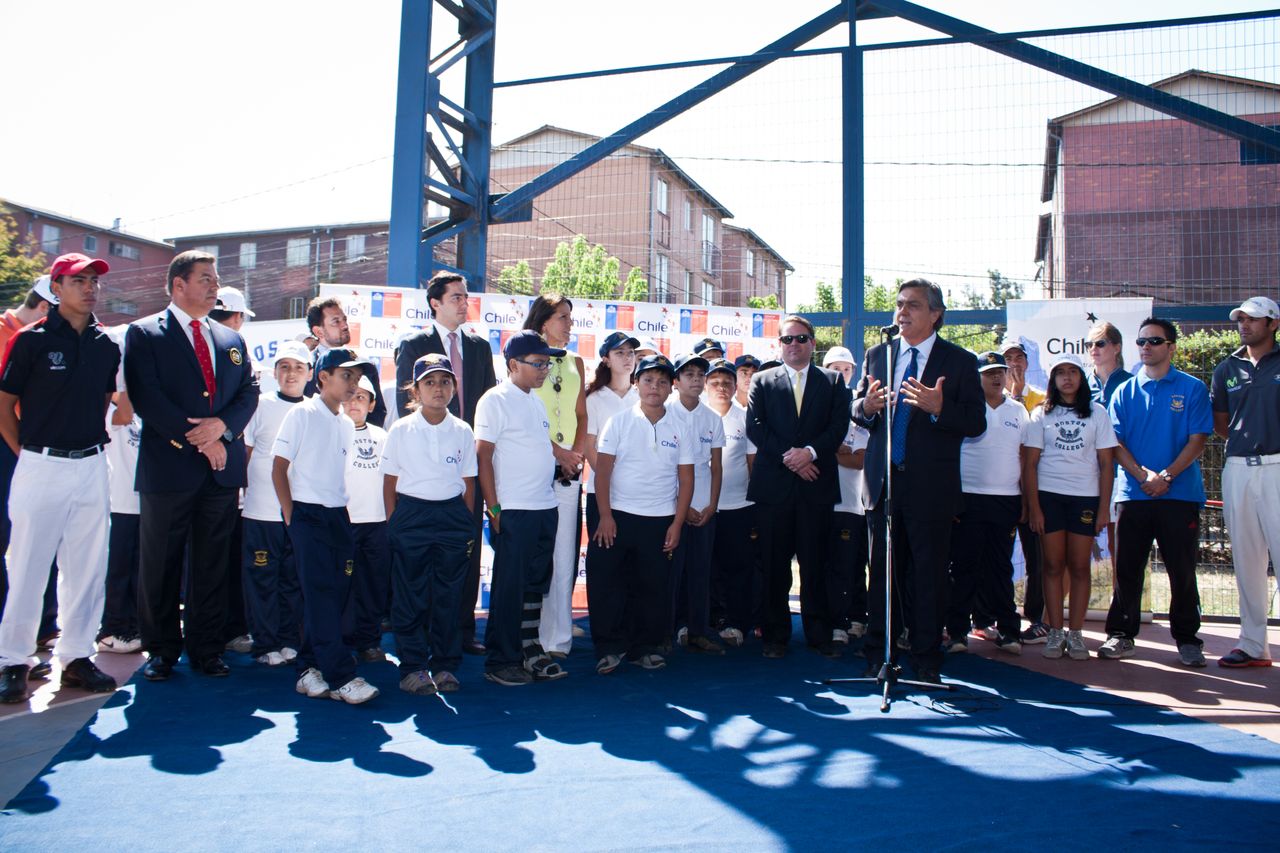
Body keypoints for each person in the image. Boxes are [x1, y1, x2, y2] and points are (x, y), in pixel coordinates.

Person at [125, 250, 259, 681]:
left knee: (211, 563)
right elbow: (147, 397)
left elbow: (248, 392)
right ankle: (161, 651)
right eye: (205, 278)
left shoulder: (230, 339)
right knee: (160, 562)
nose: (214, 286)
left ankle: (206, 647)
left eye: (215, 278)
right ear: (178, 285)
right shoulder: (145, 333)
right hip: (170, 469)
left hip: (219, 474)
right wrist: (202, 441)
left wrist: (222, 429)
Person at [0, 252, 120, 703]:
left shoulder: (107, 344)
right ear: (57, 287)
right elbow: (4, 404)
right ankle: (13, 659)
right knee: (28, 564)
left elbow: (113, 401)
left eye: (94, 281)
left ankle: (75, 657)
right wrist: (27, 453)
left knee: (87, 569)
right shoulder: (30, 341)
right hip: (40, 464)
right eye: (78, 280)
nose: (89, 288)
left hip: (91, 464)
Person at [852, 280, 985, 682]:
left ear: (935, 314)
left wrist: (940, 407)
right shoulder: (878, 354)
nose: (902, 312)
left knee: (928, 575)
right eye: (898, 305)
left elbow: (975, 422)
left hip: (931, 488)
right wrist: (867, 407)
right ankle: (880, 651)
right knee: (883, 575)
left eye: (912, 305)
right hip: (883, 484)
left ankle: (926, 658)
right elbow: (858, 408)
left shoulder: (959, 361)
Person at [394, 272, 496, 656]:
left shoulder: (480, 346)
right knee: (420, 558)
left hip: (467, 460)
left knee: (465, 549)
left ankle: (462, 630)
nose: (463, 302)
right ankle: (419, 635)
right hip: (423, 465)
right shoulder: (414, 343)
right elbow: (408, 400)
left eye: (465, 296)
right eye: (455, 297)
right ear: (435, 302)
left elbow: (486, 405)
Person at [272, 348, 379, 704]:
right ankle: (341, 675)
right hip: (307, 515)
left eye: (356, 377)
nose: (353, 384)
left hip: (338, 516)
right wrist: (292, 516)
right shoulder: (301, 413)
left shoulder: (347, 423)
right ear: (323, 378)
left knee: (333, 595)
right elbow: (278, 468)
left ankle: (307, 667)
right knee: (320, 595)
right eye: (346, 376)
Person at [1102, 318, 1211, 666]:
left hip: (1180, 496)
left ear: (1172, 347)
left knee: (1182, 571)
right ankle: (1121, 635)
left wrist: (1165, 476)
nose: (1146, 347)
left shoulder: (1193, 388)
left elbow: (1198, 441)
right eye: (1141, 341)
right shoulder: (1124, 392)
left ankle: (1188, 640)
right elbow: (1115, 443)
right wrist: (1142, 475)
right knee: (1127, 570)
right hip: (1133, 496)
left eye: (1154, 341)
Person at [747, 315, 851, 659]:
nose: (795, 345)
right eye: (788, 339)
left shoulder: (834, 382)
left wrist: (809, 453)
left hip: (816, 486)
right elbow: (756, 428)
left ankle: (818, 634)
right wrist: (791, 458)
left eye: (802, 339)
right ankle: (775, 636)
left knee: (816, 564)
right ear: (779, 345)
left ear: (813, 343)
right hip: (773, 489)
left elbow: (837, 427)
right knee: (774, 566)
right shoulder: (761, 381)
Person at [588, 354, 694, 674]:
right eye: (648, 380)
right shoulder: (618, 421)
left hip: (660, 520)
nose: (655, 387)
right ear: (636, 383)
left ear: (671, 387)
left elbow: (686, 479)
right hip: (617, 517)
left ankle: (644, 647)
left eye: (662, 381)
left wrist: (677, 523)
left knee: (652, 588)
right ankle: (608, 648)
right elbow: (602, 473)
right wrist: (605, 516)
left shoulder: (680, 426)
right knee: (607, 586)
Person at [474, 330, 566, 686]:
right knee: (509, 587)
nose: (545, 370)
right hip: (513, 509)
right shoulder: (494, 400)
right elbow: (483, 456)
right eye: (538, 363)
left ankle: (529, 649)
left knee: (533, 585)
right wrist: (494, 509)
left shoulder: (536, 401)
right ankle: (500, 660)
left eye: (547, 363)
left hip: (545, 505)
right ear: (513, 364)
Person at [382, 354, 477, 694]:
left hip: (452, 518)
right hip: (411, 516)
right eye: (430, 382)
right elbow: (389, 483)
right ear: (416, 389)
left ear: (454, 387)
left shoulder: (463, 430)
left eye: (445, 381)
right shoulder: (401, 429)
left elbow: (469, 483)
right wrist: (396, 523)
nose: (438, 389)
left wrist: (465, 522)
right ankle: (413, 668)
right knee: (410, 596)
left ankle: (445, 666)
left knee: (449, 596)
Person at [1023, 353, 1117, 661]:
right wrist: (1034, 508)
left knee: (1079, 566)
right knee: (1052, 566)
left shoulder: (1097, 413)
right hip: (1049, 498)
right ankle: (1055, 632)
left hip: (1085, 499)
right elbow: (1030, 463)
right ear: (1052, 380)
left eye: (1072, 372)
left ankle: (1076, 634)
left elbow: (1106, 463)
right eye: (1060, 372)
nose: (1067, 378)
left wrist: (1104, 509)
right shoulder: (1040, 414)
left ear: (1081, 376)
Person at [1210, 296, 1280, 668]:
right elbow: (1221, 423)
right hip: (1238, 467)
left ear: (1273, 324)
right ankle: (1253, 645)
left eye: (1253, 319)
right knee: (1247, 560)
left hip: (1278, 467)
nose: (1244, 325)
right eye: (1241, 319)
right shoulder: (1226, 368)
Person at [944, 351, 1026, 656]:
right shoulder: (965, 411)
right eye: (989, 372)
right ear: (975, 377)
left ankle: (1008, 630)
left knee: (1000, 568)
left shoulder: (1018, 411)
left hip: (1006, 500)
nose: (996, 377)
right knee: (963, 567)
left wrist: (1027, 501)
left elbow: (1025, 458)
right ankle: (956, 633)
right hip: (968, 500)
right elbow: (949, 458)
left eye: (1000, 372)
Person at [524, 295, 587, 658]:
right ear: (544, 321)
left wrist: (574, 456)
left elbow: (582, 414)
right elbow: (525, 415)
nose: (569, 323)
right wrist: (557, 453)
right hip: (534, 466)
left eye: (570, 317)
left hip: (569, 470)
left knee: (564, 555)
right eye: (562, 317)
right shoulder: (526, 360)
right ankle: (526, 636)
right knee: (534, 556)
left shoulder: (577, 361)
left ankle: (558, 639)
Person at [0, 275, 61, 647]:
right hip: (12, 449)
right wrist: (21, 451)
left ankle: (43, 627)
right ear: (44, 307)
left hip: (41, 449)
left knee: (44, 538)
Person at [241, 341, 310, 667]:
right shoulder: (259, 405)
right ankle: (264, 643)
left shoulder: (315, 410)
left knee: (293, 579)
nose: (291, 373)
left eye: (298, 367)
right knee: (261, 579)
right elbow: (247, 453)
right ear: (274, 372)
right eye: (285, 366)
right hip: (260, 511)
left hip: (299, 514)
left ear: (310, 374)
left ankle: (288, 640)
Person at [668, 353, 725, 654]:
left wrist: (712, 505)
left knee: (700, 572)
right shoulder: (663, 412)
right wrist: (680, 507)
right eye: (687, 374)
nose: (695, 379)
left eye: (699, 374)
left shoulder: (712, 418)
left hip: (704, 509)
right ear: (675, 381)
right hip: (671, 509)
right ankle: (668, 631)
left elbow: (716, 467)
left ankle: (698, 631)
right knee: (671, 574)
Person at [210, 292, 254, 655]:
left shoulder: (236, 350)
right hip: (189, 468)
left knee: (218, 556)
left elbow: (247, 397)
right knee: (207, 558)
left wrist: (222, 432)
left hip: (227, 475)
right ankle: (212, 633)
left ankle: (222, 630)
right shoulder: (226, 349)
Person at [704, 358, 756, 647]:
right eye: (715, 382)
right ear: (706, 386)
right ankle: (708, 620)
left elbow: (752, 464)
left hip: (739, 507)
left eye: (727, 382)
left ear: (736, 386)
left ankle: (736, 622)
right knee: (706, 568)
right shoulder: (696, 416)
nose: (721, 387)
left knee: (737, 568)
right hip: (701, 508)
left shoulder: (746, 417)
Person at [1001, 336, 1049, 646]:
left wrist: (1018, 396)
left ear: (1028, 364)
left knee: (1038, 559)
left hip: (1034, 492)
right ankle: (999, 617)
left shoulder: (1044, 399)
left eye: (1019, 358)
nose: (1014, 364)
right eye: (1009, 359)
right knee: (999, 558)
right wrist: (1013, 395)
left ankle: (1036, 619)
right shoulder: (988, 399)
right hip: (1003, 492)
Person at [98, 332, 143, 655]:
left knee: (137, 571)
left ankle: (132, 626)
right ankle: (111, 628)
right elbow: (124, 410)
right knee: (119, 570)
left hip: (143, 503)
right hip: (120, 503)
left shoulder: (139, 412)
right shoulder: (110, 414)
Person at [341, 375, 391, 664]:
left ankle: (369, 642)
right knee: (341, 587)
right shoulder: (330, 431)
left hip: (377, 523)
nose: (354, 402)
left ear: (371, 404)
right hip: (342, 522)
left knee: (373, 585)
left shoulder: (383, 437)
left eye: (362, 397)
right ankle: (340, 639)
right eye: (350, 396)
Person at [822, 346, 870, 645]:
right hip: (823, 502)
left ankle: (854, 618)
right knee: (828, 565)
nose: (840, 374)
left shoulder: (860, 411)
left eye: (846, 369)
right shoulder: (817, 409)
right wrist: (834, 451)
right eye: (834, 369)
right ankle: (834, 620)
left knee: (852, 566)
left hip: (854, 504)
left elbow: (862, 459)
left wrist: (834, 452)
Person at [584, 333, 640, 536]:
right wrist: (607, 480)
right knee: (604, 558)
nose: (628, 358)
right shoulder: (594, 398)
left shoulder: (642, 396)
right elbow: (588, 446)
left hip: (637, 493)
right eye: (620, 353)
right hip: (601, 493)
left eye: (631, 353)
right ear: (606, 360)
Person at [302, 296, 387, 427]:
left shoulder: (364, 365)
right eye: (336, 322)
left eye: (344, 319)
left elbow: (377, 413)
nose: (345, 326)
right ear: (319, 331)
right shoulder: (305, 367)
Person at [1086, 321, 1130, 408]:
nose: (1093, 348)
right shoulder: (1081, 385)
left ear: (1117, 348)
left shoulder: (1131, 384)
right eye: (1089, 345)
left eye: (1100, 343)